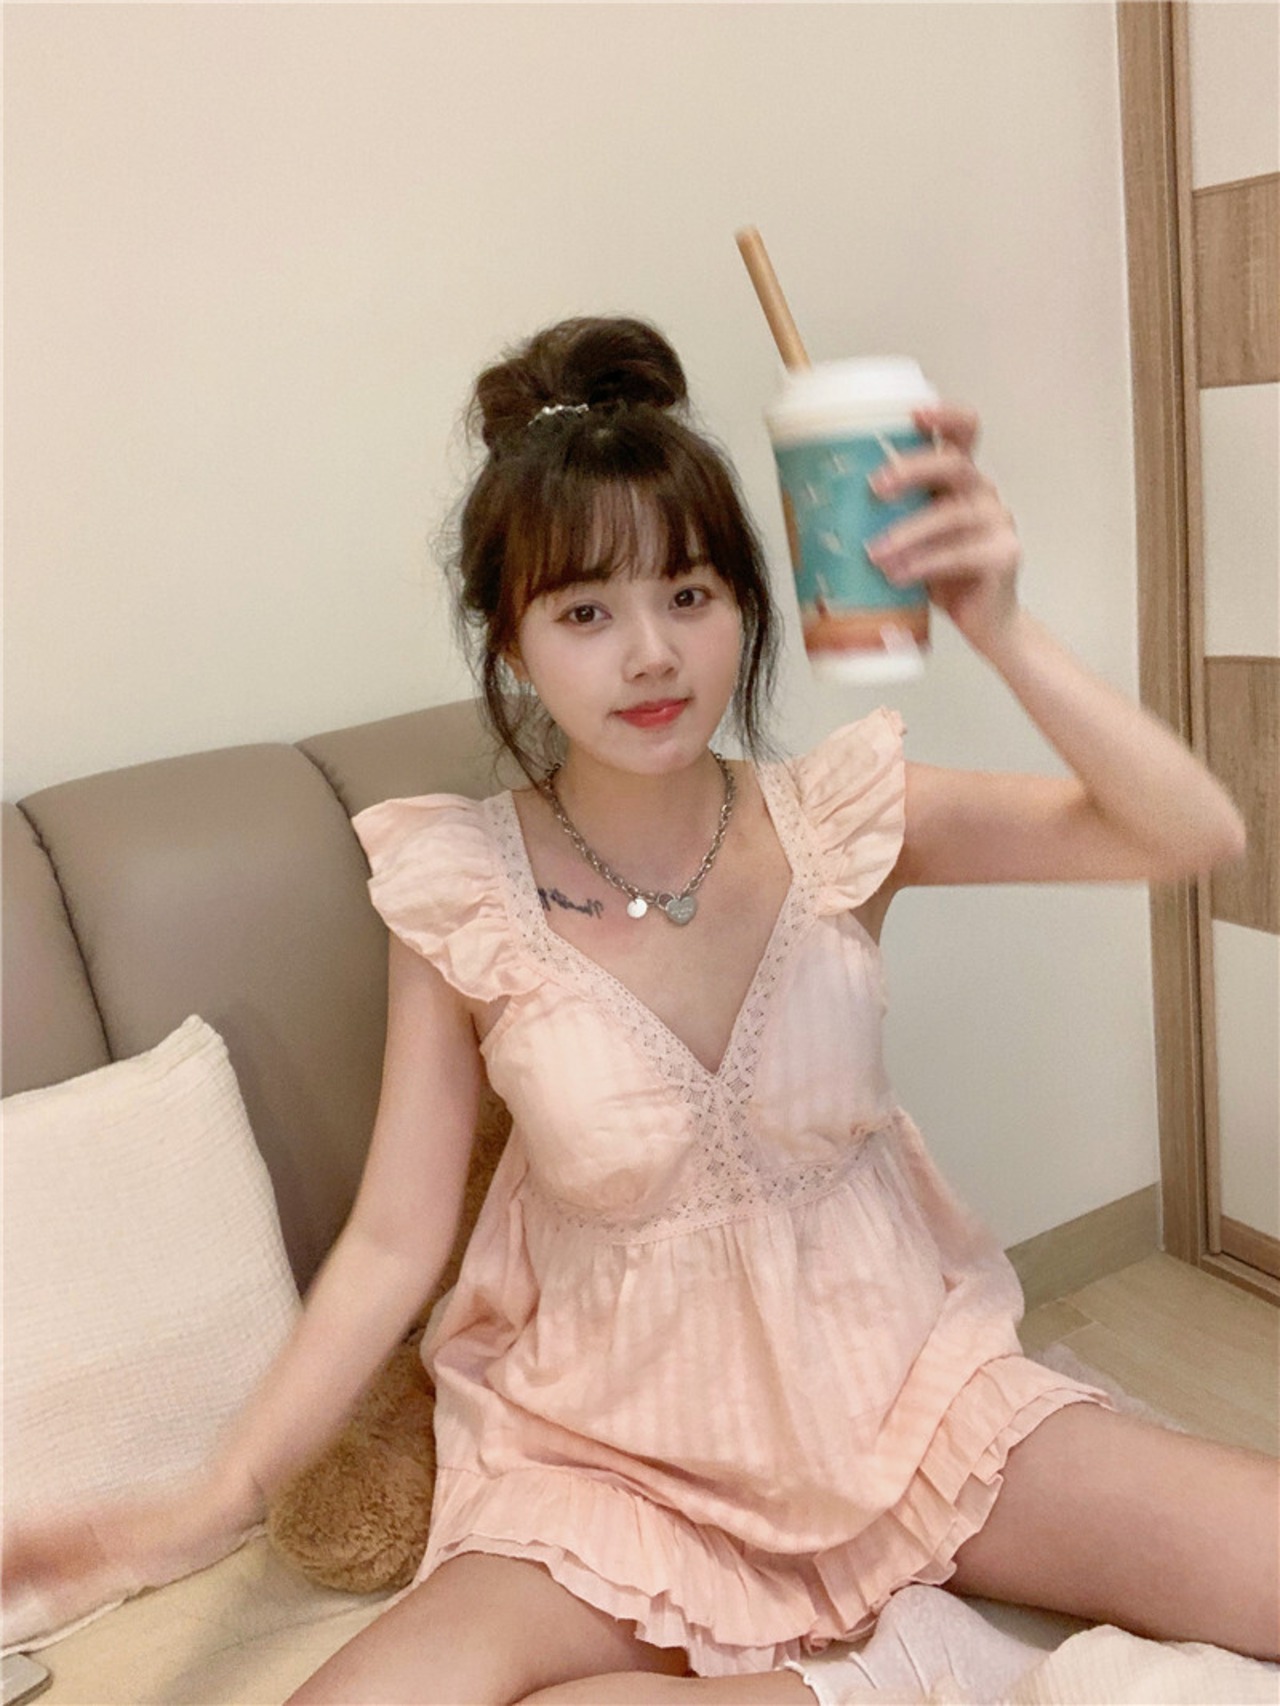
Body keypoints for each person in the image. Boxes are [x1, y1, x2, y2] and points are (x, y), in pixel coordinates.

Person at [5, 316, 1274, 1706]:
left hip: (908, 1392)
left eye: (689, 591)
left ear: (748, 604)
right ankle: (902, 1670)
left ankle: (908, 1648)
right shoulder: (459, 888)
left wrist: (1001, 624)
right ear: (512, 641)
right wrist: (211, 1498)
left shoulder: (844, 818)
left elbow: (1191, 831)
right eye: (586, 612)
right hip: (609, 1455)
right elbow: (393, 1238)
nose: (653, 653)